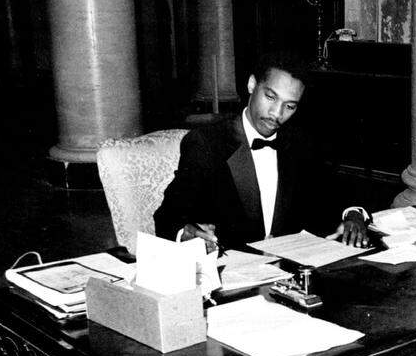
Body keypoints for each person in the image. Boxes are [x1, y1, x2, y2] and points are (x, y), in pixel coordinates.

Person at [154, 51, 370, 252]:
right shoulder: (206, 144)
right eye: (270, 97)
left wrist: (353, 214)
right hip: (232, 275)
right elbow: (167, 217)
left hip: (290, 271)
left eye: (290, 106)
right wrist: (185, 233)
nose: (277, 114)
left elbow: (337, 190)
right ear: (251, 85)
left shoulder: (302, 144)